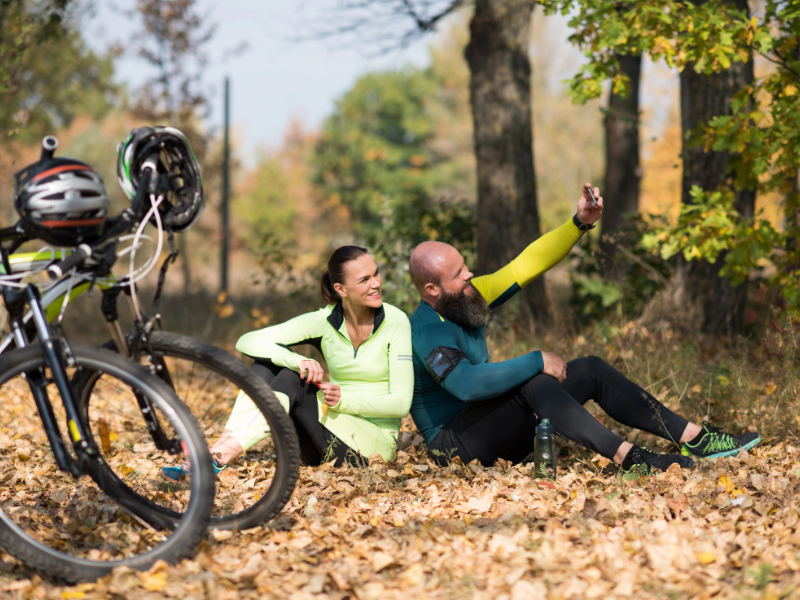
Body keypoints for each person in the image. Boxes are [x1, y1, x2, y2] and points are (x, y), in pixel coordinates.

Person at [407, 184, 760, 473]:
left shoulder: (470, 294)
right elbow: (467, 385)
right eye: (458, 274)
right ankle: (630, 459)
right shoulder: (425, 330)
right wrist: (536, 359)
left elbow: (526, 264)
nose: (469, 275)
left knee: (590, 369)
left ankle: (695, 437)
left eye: (465, 266)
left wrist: (579, 222)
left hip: (500, 435)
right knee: (532, 378)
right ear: (432, 290)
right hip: (454, 449)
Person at [160, 246, 413, 480]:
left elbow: (401, 404)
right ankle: (215, 454)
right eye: (365, 280)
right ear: (341, 289)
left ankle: (214, 457)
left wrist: (346, 400)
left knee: (293, 380)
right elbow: (248, 340)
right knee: (269, 363)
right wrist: (296, 359)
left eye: (376, 274)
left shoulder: (395, 321)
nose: (376, 283)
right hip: (321, 437)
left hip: (370, 449)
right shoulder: (324, 321)